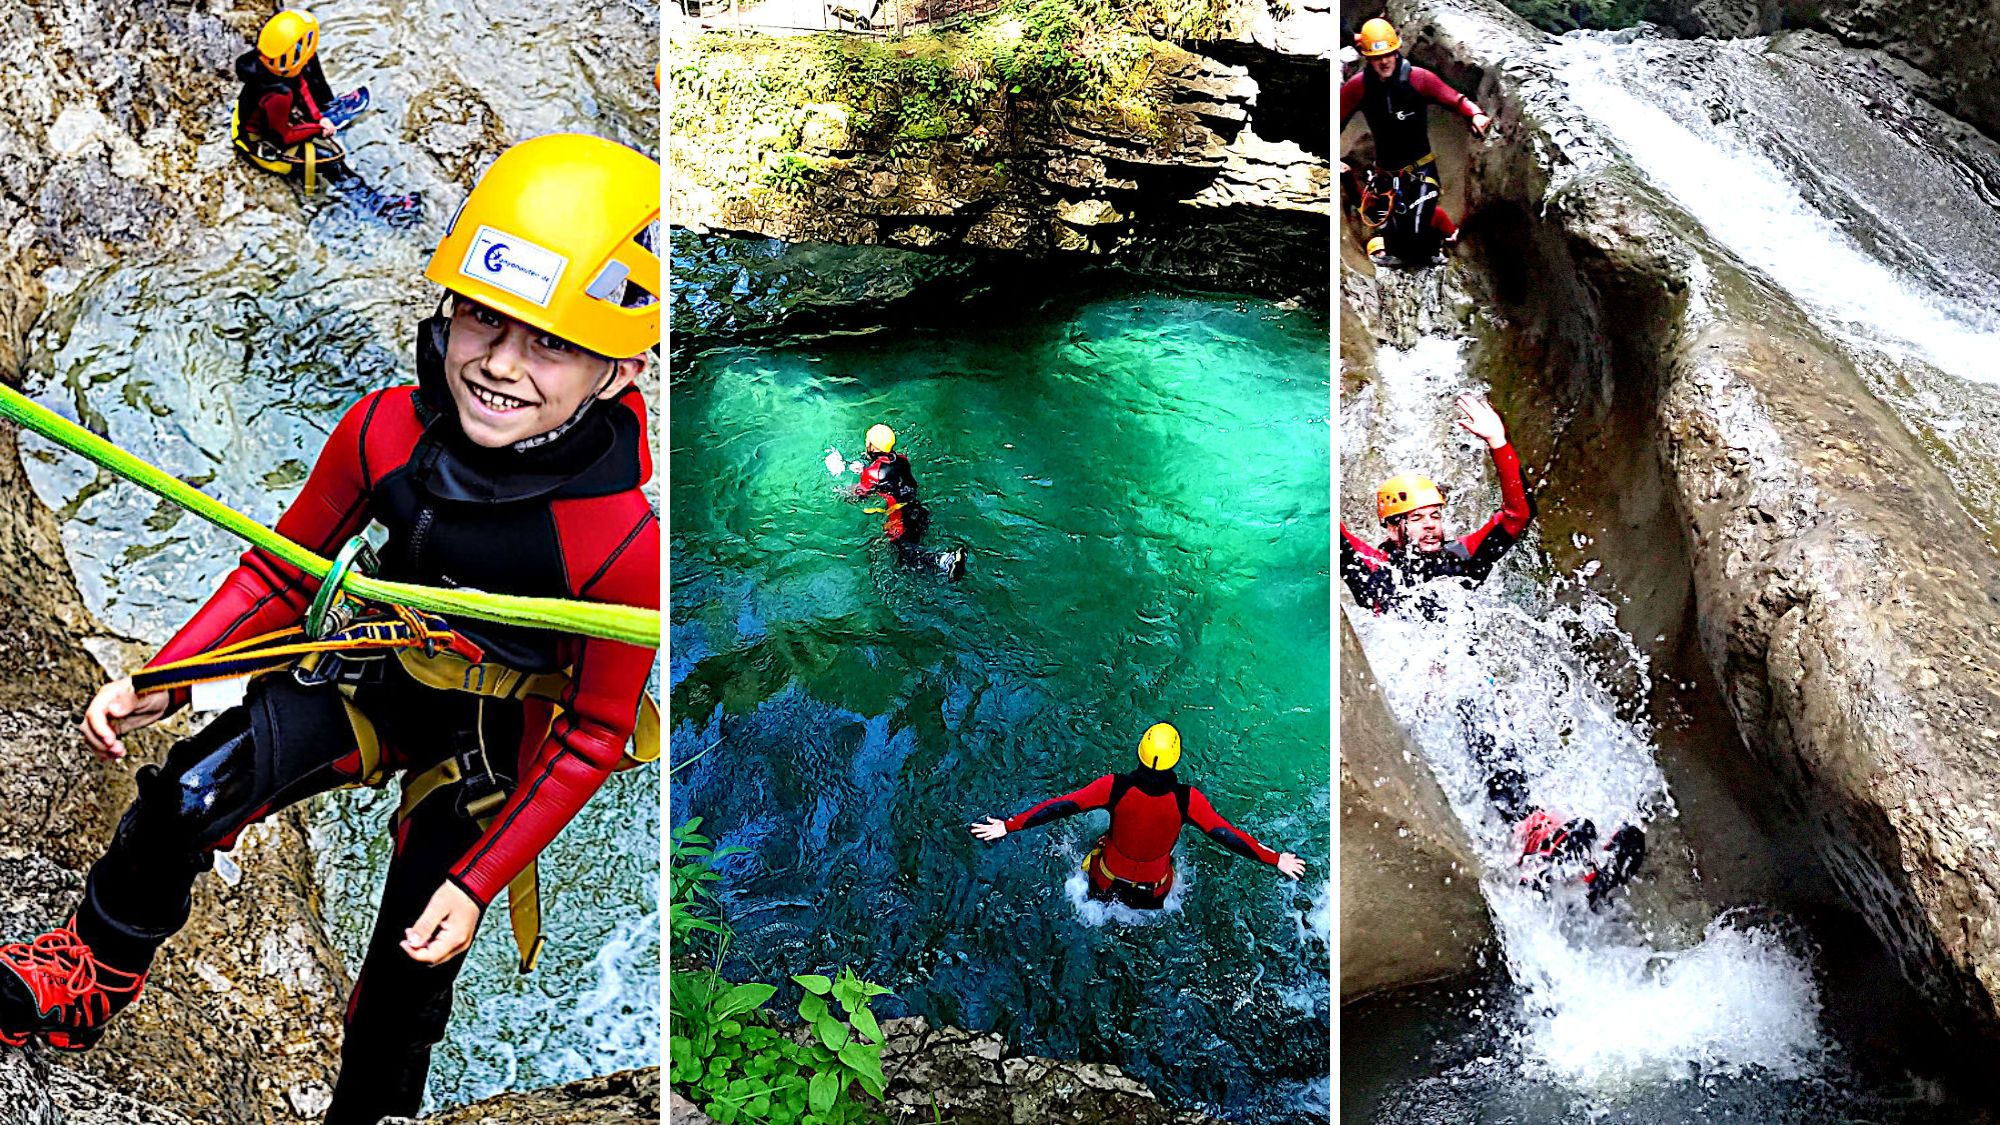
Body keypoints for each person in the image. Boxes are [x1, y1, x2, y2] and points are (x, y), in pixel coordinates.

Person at [0, 133, 660, 1125]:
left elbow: (591, 735)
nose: (501, 366)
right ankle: (95, 969)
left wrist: (478, 884)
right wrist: (167, 678)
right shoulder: (385, 429)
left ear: (619, 373)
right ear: (448, 308)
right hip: (374, 671)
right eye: (485, 319)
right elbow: (280, 567)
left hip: (490, 748)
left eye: (554, 343)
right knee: (186, 793)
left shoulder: (619, 545)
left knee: (406, 981)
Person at [1341, 393, 1642, 905]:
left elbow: (1516, 515)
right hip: (1416, 694)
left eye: (1437, 514)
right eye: (1419, 518)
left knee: (1498, 713)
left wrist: (1500, 445)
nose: (1434, 524)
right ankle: (1531, 833)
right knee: (1472, 703)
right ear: (1393, 527)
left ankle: (1572, 860)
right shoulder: (1374, 568)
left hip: (1462, 683)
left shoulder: (1462, 558)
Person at [971, 723, 1306, 910]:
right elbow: (1225, 834)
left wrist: (1008, 826)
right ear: (1176, 759)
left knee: (1096, 900)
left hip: (1104, 879)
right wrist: (1274, 859)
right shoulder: (1187, 800)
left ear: (1140, 751)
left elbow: (1061, 806)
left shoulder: (1113, 787)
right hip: (1155, 891)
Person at [233, 8, 416, 223]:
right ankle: (377, 207)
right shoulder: (277, 95)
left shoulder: (275, 61)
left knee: (309, 63)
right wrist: (318, 129)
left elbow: (300, 85)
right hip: (264, 144)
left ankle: (328, 105)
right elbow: (283, 137)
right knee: (332, 160)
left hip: (273, 119)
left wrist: (320, 117)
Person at [1339, 17, 1491, 267]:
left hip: (1421, 169)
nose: (1384, 61)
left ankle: (1433, 248)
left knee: (1417, 227)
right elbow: (1337, 116)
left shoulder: (1419, 79)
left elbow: (1452, 98)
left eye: (1388, 55)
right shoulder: (1359, 86)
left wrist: (1474, 113)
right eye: (1377, 58)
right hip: (1386, 173)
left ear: (1396, 52)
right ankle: (1415, 252)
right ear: (1367, 58)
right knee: (1393, 233)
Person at [839, 423, 966, 579]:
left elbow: (859, 494)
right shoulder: (902, 459)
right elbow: (888, 472)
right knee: (907, 550)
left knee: (907, 556)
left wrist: (839, 491)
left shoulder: (873, 473)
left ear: (872, 446)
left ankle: (945, 560)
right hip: (918, 511)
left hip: (899, 521)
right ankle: (943, 560)